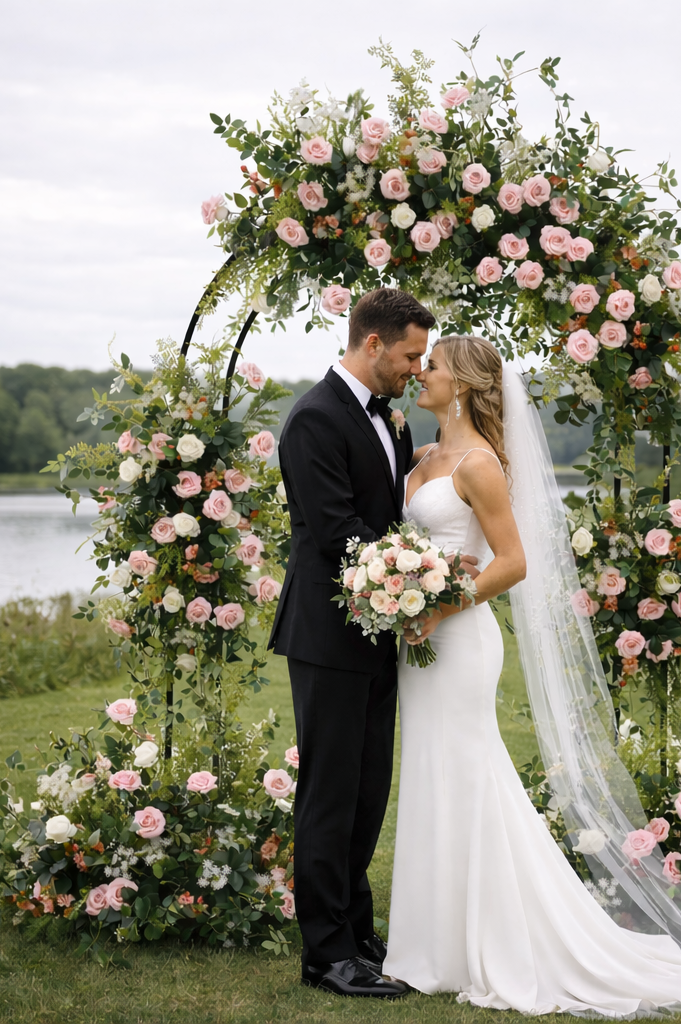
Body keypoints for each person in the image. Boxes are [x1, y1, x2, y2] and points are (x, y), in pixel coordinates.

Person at [382, 335, 681, 1017]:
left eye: (430, 366)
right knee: (431, 774)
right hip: (421, 643)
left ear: (462, 383)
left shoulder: (479, 463)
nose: (418, 374)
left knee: (467, 773)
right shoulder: (421, 454)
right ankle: (428, 945)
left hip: (458, 640)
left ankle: (488, 942)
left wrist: (439, 606)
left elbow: (513, 561)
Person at [268, 287, 435, 999]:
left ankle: (359, 934)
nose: (416, 370)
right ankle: (325, 954)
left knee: (368, 793)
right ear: (373, 344)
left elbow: (386, 516)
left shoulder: (391, 424)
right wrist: (427, 578)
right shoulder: (311, 420)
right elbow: (339, 535)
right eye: (409, 355)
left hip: (379, 630)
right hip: (328, 634)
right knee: (329, 795)